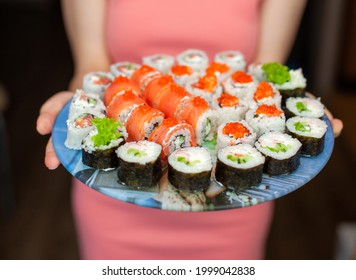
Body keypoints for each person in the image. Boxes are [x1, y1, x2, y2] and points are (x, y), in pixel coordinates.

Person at [36, 0, 343, 259]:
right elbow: (92, 66)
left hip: (233, 195)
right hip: (116, 195)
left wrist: (294, 106)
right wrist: (81, 108)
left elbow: (263, 71)